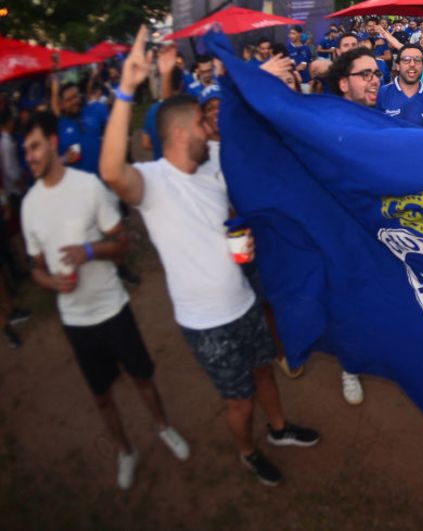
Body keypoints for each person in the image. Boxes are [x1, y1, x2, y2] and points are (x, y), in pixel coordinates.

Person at [100, 28, 320, 487]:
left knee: (264, 372)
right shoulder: (153, 182)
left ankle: (279, 430)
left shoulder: (215, 158)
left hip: (242, 301)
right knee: (239, 401)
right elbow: (110, 171)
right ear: (181, 134)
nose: (210, 129)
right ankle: (247, 451)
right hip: (205, 322)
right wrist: (126, 88)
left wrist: (256, 77)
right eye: (202, 125)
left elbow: (236, 126)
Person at [21, 110, 189, 489]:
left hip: (112, 306)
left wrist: (90, 252)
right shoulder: (29, 205)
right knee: (100, 396)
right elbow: (35, 267)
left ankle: (164, 427)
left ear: (51, 143)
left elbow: (123, 244)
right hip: (75, 319)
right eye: (23, 149)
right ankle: (125, 451)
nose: (28, 156)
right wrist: (49, 280)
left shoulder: (88, 187)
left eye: (33, 146)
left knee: (141, 377)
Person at [51, 79, 107, 177]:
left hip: (103, 181)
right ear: (61, 105)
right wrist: (65, 158)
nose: (75, 101)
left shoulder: (94, 110)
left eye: (76, 96)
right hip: (78, 187)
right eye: (69, 100)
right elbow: (50, 165)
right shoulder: (57, 126)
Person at [376, 45, 423, 128]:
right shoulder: (380, 94)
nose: (412, 64)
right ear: (398, 66)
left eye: (417, 60)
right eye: (406, 60)